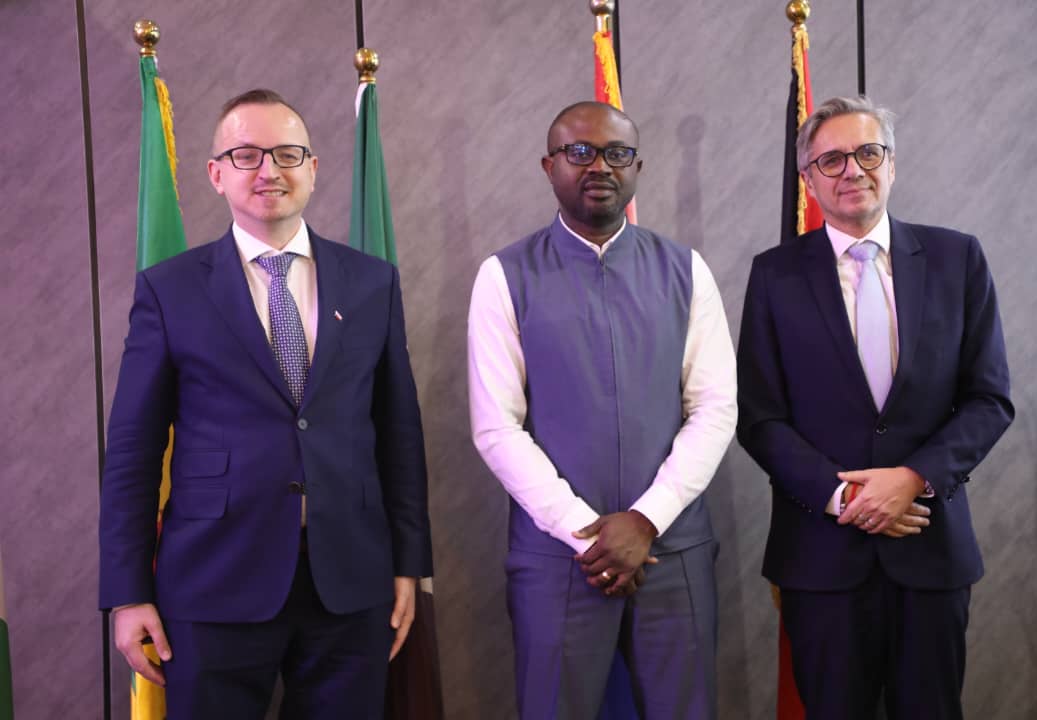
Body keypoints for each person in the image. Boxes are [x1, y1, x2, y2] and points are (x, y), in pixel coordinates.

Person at [98, 89, 432, 720]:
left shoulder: (372, 282)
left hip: (352, 581)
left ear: (313, 167)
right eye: (246, 155)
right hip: (211, 581)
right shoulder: (170, 290)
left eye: (287, 153)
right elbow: (133, 453)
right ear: (215, 173)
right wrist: (127, 591)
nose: (269, 170)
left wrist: (410, 564)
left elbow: (399, 434)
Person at [737, 96, 1014, 719]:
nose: (852, 171)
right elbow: (759, 415)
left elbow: (989, 398)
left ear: (892, 164)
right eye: (831, 160)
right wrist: (846, 498)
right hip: (821, 556)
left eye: (868, 152)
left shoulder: (957, 259)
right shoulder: (775, 275)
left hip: (929, 544)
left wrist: (914, 478)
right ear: (808, 179)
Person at [467, 101, 737, 719]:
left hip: (672, 549)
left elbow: (715, 408)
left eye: (617, 153)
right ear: (549, 166)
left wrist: (645, 521)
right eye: (580, 152)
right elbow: (496, 426)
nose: (599, 166)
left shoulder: (685, 270)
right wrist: (586, 533)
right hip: (559, 558)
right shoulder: (505, 275)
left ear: (637, 167)